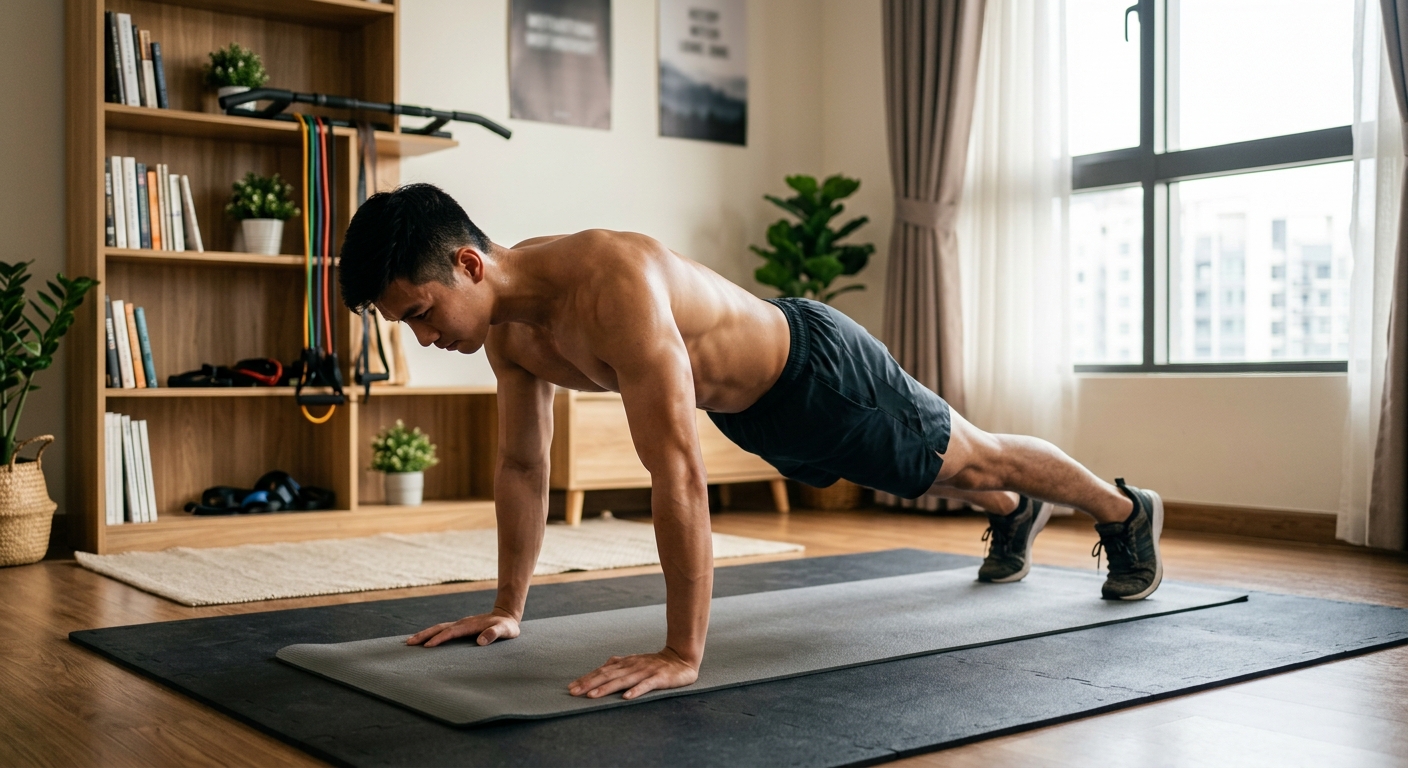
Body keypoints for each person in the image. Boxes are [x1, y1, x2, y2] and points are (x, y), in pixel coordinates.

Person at [337, 183, 1164, 703]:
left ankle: (1125, 511)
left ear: (470, 266)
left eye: (419, 313)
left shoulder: (610, 284)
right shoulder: (510, 337)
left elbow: (677, 474)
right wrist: (510, 608)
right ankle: (1015, 514)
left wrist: (680, 652)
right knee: (918, 473)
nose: (421, 335)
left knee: (973, 454)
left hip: (818, 375)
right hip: (757, 412)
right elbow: (523, 465)